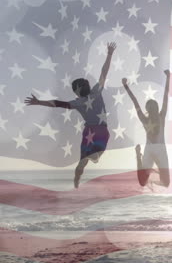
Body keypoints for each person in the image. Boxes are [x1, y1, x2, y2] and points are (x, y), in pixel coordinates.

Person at [25, 42, 116, 188]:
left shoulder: (96, 91)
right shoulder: (77, 102)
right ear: (77, 92)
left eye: (85, 84)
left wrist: (110, 54)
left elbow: (104, 73)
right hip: (90, 131)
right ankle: (77, 181)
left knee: (95, 156)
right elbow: (57, 103)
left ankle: (91, 160)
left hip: (101, 131)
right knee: (83, 161)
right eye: (80, 87)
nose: (84, 87)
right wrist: (39, 102)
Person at [122, 69, 171, 188]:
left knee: (167, 183)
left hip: (161, 150)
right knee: (142, 182)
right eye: (150, 106)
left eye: (154, 105)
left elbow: (165, 98)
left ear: (156, 107)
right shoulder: (144, 119)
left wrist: (168, 78)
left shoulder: (161, 116)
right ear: (148, 109)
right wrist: (126, 86)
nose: (153, 108)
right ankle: (138, 155)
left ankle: (155, 175)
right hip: (149, 150)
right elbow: (135, 102)